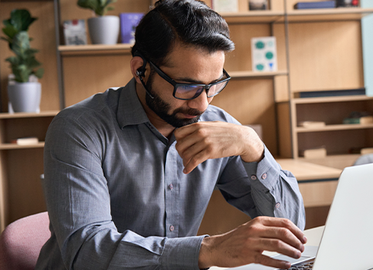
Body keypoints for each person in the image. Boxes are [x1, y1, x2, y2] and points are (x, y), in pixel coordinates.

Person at [36, 0, 306, 269]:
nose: (203, 105)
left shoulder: (217, 125)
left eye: (213, 85)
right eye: (187, 86)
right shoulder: (79, 129)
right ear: (140, 69)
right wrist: (208, 249)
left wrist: (254, 148)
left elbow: (291, 229)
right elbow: (87, 251)